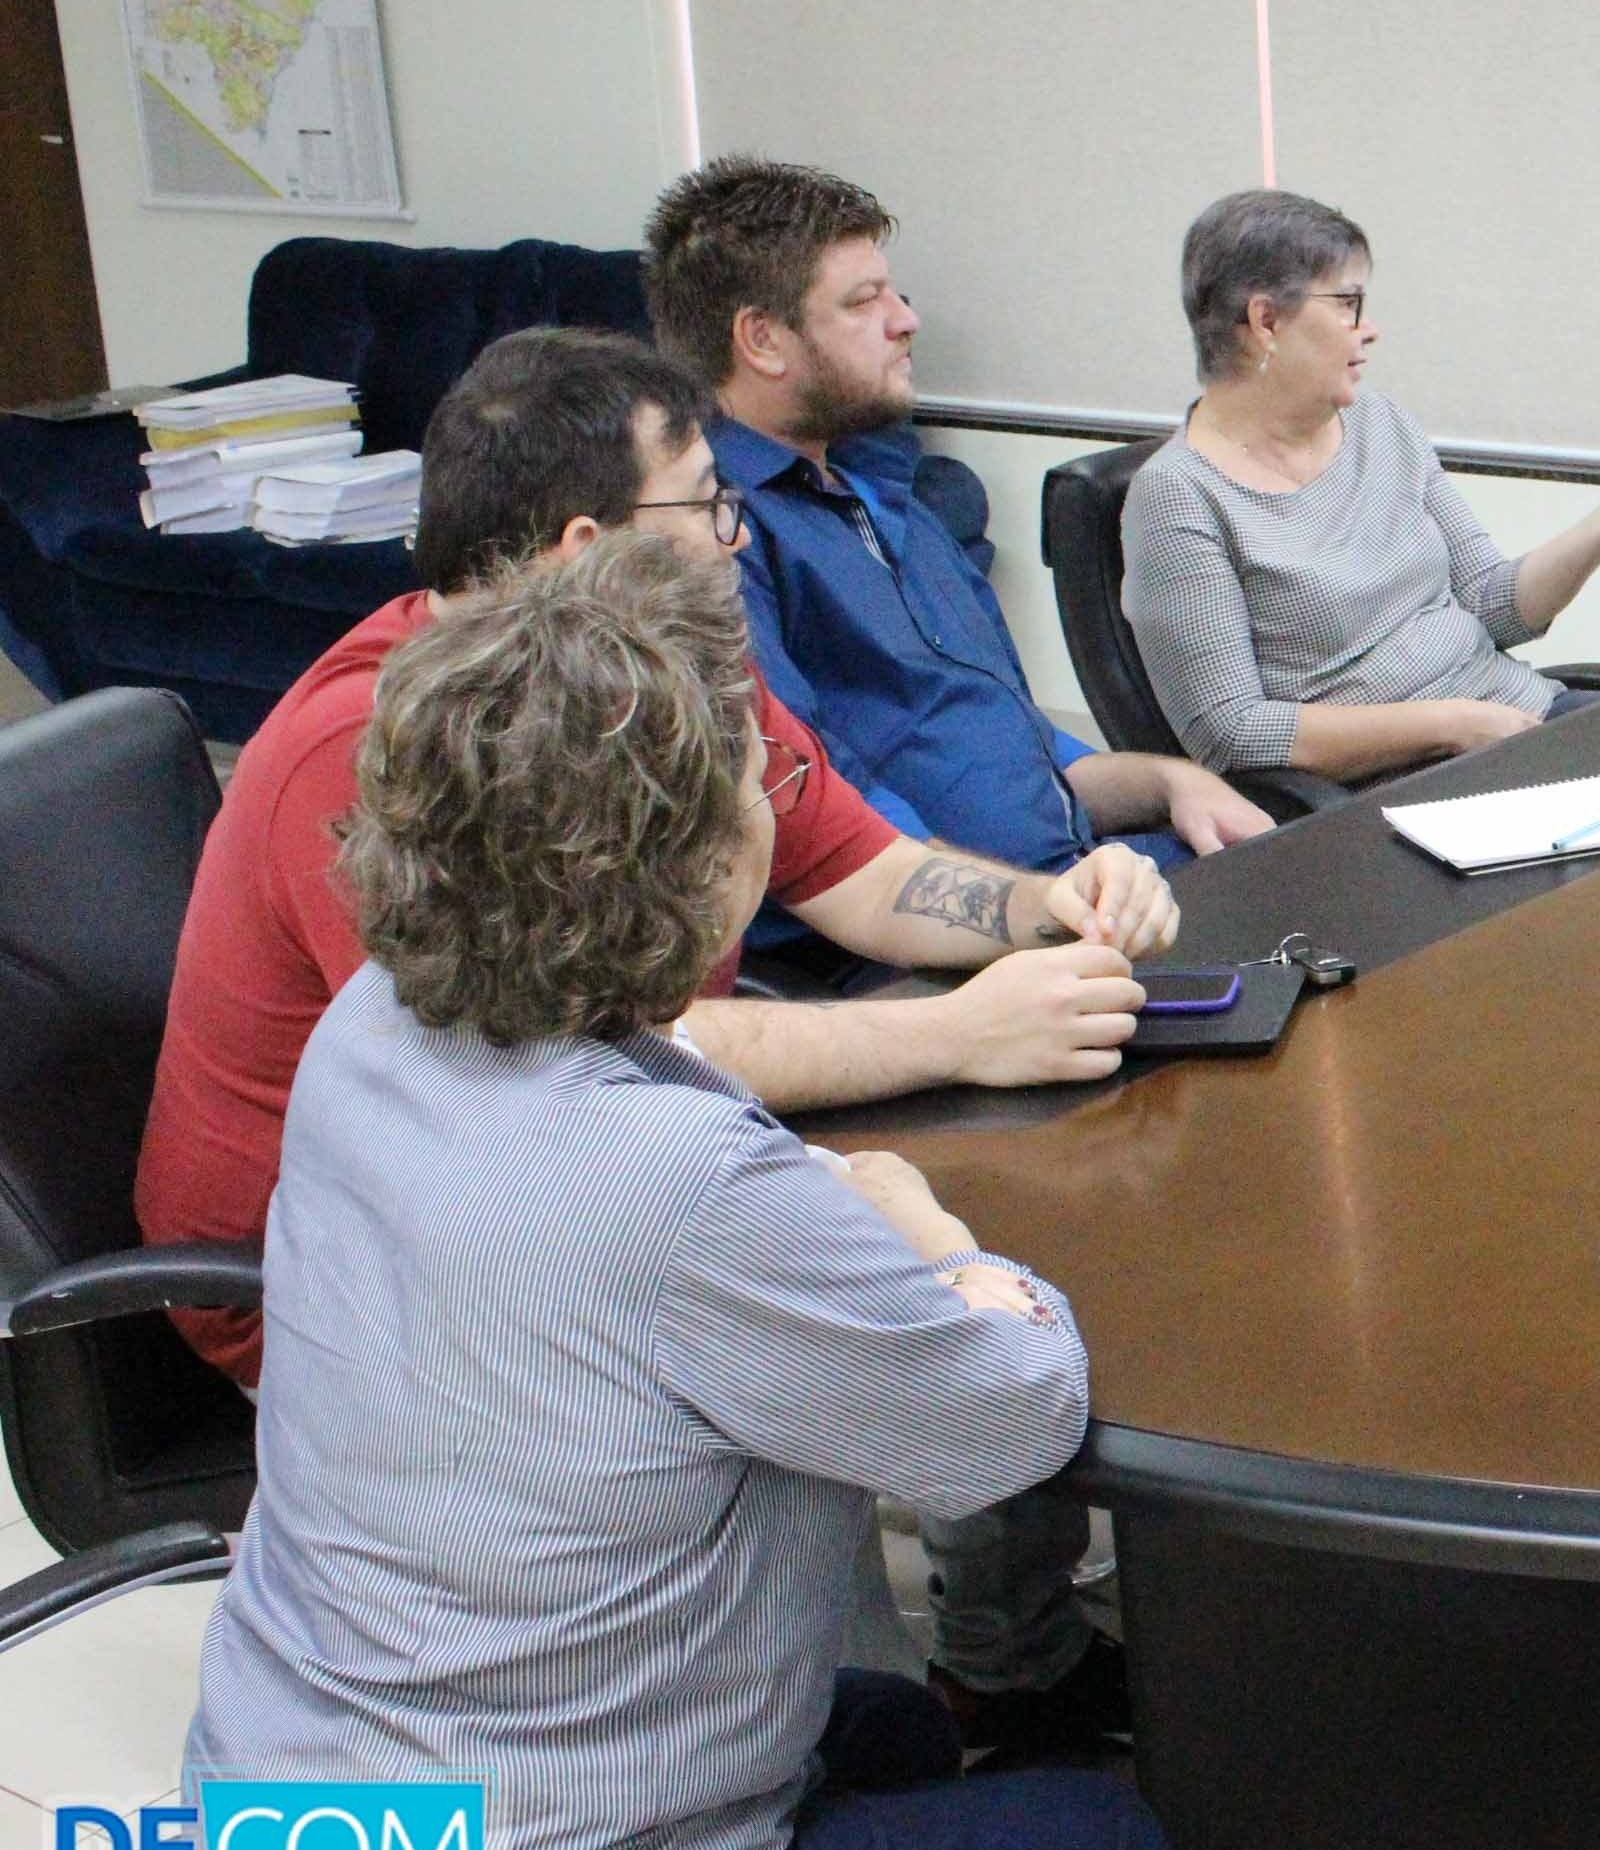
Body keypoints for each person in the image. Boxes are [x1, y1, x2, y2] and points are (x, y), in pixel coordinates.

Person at [184, 537, 1167, 1850]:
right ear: (695, 864)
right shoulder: (683, 1188)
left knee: (896, 1729)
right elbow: (1012, 1422)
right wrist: (930, 1236)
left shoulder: (373, 1026)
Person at [138, 327, 1151, 1754]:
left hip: (560, 1147)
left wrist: (1049, 906)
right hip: (364, 1259)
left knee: (895, 1214)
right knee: (843, 1330)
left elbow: (854, 869)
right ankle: (842, 1747)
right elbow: (537, 1067)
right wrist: (954, 1036)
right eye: (705, 504)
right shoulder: (390, 745)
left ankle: (974, 1668)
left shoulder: (661, 677)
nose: (738, 533)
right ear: (583, 542)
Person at [642, 157, 1274, 867]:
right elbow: (822, 822)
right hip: (945, 942)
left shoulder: (885, 503)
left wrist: (1170, 781)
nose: (906, 321)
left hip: (1079, 877)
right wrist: (1039, 907)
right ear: (761, 340)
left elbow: (1033, 760)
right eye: (863, 302)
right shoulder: (718, 540)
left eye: (894, 295)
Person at [1120, 189, 1600, 783]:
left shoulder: (1380, 423)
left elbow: (1492, 606)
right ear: (1264, 321)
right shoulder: (1180, 496)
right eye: (1347, 304)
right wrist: (1449, 725)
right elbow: (1229, 733)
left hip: (1516, 721)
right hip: (1396, 783)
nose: (1368, 328)